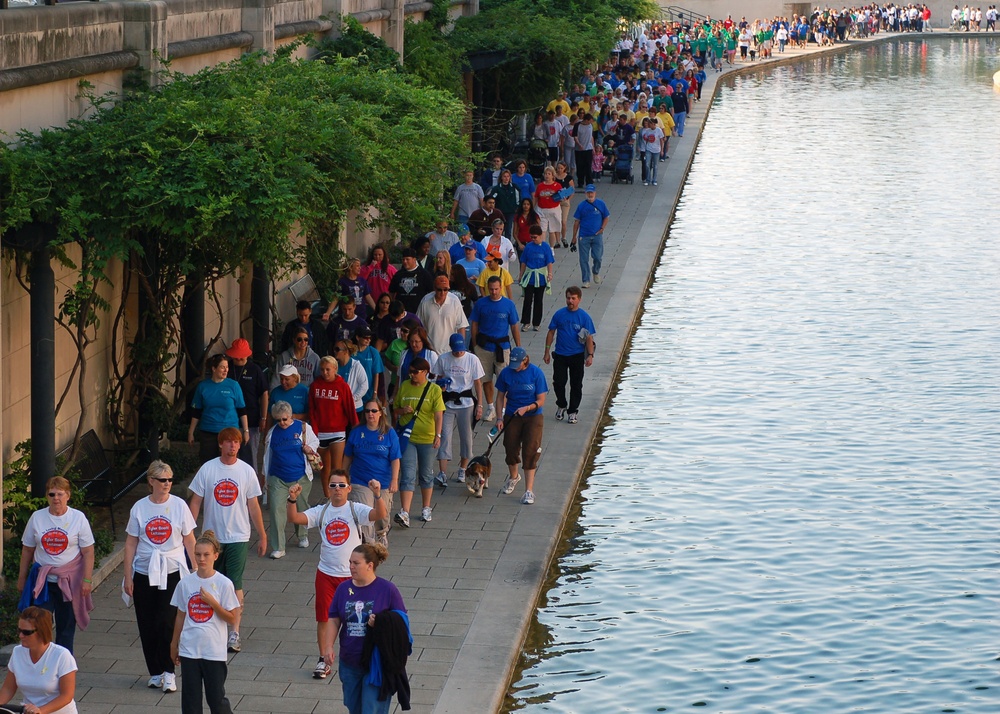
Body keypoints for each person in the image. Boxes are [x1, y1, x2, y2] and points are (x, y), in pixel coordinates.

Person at [286, 471, 387, 680]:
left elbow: (379, 514)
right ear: (328, 489)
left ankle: (361, 657)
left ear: (349, 488)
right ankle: (324, 659)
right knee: (324, 618)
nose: (337, 489)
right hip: (326, 574)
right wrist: (292, 499)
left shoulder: (355, 509)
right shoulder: (321, 511)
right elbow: (294, 518)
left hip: (352, 577)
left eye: (341, 485)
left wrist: (377, 494)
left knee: (357, 619)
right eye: (333, 485)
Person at [187, 427, 267, 653]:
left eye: (236, 442)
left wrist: (262, 534)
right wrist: (189, 531)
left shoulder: (246, 471)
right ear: (221, 444)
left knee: (234, 583)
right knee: (211, 581)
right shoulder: (208, 469)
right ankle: (212, 626)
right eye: (229, 441)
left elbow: (253, 506)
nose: (233, 445)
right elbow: (196, 501)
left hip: (238, 536)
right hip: (212, 538)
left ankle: (234, 631)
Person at [123, 461, 197, 694]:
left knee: (166, 621)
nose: (167, 484)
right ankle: (155, 672)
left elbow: (189, 539)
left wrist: (196, 569)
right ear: (151, 481)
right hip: (145, 570)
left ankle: (168, 671)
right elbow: (131, 543)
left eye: (170, 480)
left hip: (172, 570)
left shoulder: (179, 505)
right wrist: (128, 576)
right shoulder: (139, 507)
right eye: (163, 480)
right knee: (147, 623)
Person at [321, 544, 409, 714]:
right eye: (350, 562)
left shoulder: (388, 590)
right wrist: (328, 646)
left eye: (356, 563)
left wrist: (381, 624)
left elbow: (401, 624)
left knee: (371, 710)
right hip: (350, 661)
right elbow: (334, 619)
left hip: (376, 663)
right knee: (353, 707)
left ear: (370, 565)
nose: (351, 567)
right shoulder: (343, 589)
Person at [17, 477, 95, 654]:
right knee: (39, 626)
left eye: (60, 494)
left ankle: (64, 665)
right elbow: (27, 550)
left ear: (68, 495)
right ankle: (40, 661)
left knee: (66, 629)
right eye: (52, 494)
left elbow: (88, 552)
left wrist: (87, 580)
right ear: (47, 496)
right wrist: (22, 578)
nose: (56, 498)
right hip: (43, 582)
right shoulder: (37, 517)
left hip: (69, 581)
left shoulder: (78, 518)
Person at [168, 530, 240, 714]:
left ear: (215, 556)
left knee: (216, 700)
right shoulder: (185, 583)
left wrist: (213, 603)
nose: (201, 559)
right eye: (198, 554)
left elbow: (232, 618)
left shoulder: (224, 584)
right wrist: (174, 644)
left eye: (206, 554)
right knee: (190, 703)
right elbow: (180, 615)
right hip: (189, 650)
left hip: (213, 651)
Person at [262, 401, 320, 559]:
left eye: (285, 419)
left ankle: (302, 535)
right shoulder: (272, 433)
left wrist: (309, 448)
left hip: (300, 476)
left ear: (291, 416)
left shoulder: (303, 427)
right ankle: (278, 547)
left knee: (301, 507)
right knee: (276, 511)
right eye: (278, 420)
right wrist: (265, 478)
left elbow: (315, 441)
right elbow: (267, 456)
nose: (282, 423)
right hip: (278, 477)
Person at [392, 357, 445, 526]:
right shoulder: (405, 386)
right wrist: (403, 410)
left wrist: (438, 435)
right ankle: (405, 512)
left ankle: (426, 507)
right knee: (407, 474)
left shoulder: (434, 389)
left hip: (427, 438)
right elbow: (395, 410)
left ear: (425, 372)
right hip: (407, 438)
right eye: (410, 372)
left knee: (426, 474)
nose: (412, 375)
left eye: (415, 372)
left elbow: (439, 415)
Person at [344, 400, 401, 549]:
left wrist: (394, 479)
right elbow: (348, 456)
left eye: (374, 411)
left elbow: (395, 459)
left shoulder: (389, 433)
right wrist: (343, 476)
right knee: (365, 511)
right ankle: (368, 542)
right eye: (368, 411)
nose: (370, 414)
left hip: (383, 481)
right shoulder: (356, 432)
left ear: (381, 413)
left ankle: (381, 533)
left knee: (382, 513)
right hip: (360, 480)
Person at [495, 346, 548, 505]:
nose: (515, 368)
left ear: (525, 360)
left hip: (533, 415)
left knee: (530, 450)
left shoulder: (536, 373)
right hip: (512, 414)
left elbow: (541, 400)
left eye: (517, 364)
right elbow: (500, 397)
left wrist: (528, 408)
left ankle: (528, 490)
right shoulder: (506, 373)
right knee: (510, 446)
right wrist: (499, 418)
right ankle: (513, 476)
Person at [0, 607, 78, 714]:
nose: (20, 635)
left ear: (42, 632)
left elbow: (66, 696)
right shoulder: (18, 652)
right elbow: (8, 689)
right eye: (19, 630)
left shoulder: (62, 655)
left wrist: (40, 710)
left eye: (26, 632)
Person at [435, 334, 486, 486]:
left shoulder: (472, 359)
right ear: (451, 347)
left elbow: (478, 383)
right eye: (456, 350)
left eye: (461, 350)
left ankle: (463, 468)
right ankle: (443, 472)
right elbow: (438, 378)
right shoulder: (443, 359)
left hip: (466, 403)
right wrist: (441, 385)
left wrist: (480, 405)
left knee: (466, 437)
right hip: (448, 402)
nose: (458, 353)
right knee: (444, 436)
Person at [470, 275, 522, 422]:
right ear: (488, 288)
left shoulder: (508, 305)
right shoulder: (481, 304)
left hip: (502, 347)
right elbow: (474, 324)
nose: (494, 292)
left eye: (496, 289)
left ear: (501, 288)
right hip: (484, 346)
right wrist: (475, 345)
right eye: (491, 289)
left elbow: (514, 326)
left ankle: (503, 409)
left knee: (504, 379)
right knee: (485, 378)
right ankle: (491, 407)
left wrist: (518, 347)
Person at [544, 286, 597, 425]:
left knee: (576, 384)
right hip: (560, 355)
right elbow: (551, 332)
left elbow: (589, 337)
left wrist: (590, 355)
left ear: (579, 299)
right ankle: (561, 404)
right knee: (558, 382)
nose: (570, 301)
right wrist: (547, 351)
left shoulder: (584, 317)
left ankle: (573, 411)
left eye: (573, 298)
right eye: (568, 298)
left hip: (577, 356)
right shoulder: (559, 314)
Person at [310, 356, 360, 500]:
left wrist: (356, 429)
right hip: (320, 432)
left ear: (335, 369)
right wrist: (314, 431)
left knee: (337, 468)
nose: (325, 373)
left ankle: (339, 496)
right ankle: (328, 497)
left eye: (328, 369)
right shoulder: (315, 386)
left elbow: (350, 409)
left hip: (338, 431)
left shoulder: (342, 386)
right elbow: (312, 410)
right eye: (322, 370)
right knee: (324, 468)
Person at [188, 354, 249, 466]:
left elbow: (242, 410)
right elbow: (196, 412)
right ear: (214, 368)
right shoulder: (203, 386)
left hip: (230, 432)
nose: (226, 370)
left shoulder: (234, 385)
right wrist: (191, 432)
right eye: (222, 367)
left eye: (227, 367)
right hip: (208, 431)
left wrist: (246, 431)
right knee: (208, 465)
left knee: (229, 464)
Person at [224, 338, 268, 470]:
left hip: (251, 418)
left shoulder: (255, 369)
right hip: (229, 419)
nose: (238, 359)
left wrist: (263, 417)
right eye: (236, 356)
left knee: (250, 456)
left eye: (241, 356)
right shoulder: (227, 367)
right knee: (229, 456)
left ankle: (250, 481)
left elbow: (264, 394)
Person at [416, 274, 469, 359]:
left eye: (445, 289)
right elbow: (418, 325)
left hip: (450, 351)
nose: (442, 293)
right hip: (430, 351)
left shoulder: (454, 300)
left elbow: (461, 326)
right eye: (439, 290)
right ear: (434, 288)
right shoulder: (425, 301)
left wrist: (460, 348)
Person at [571, 184, 611, 288]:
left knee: (598, 257)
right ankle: (586, 280)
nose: (590, 195)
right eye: (588, 193)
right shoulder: (581, 206)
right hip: (584, 236)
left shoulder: (601, 204)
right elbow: (576, 222)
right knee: (583, 259)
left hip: (597, 235)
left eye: (591, 193)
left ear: (595, 193)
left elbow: (606, 217)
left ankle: (595, 271)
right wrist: (574, 237)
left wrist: (602, 228)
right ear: (585, 193)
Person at [518, 225, 555, 332]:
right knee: (527, 300)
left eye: (535, 237)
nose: (533, 239)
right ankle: (526, 322)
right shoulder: (528, 247)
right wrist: (521, 275)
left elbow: (549, 261)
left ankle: (536, 323)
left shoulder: (545, 247)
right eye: (531, 237)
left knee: (539, 300)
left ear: (540, 236)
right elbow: (524, 262)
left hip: (541, 277)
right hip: (530, 277)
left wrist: (550, 273)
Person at [388, 247, 434, 315]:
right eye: (403, 259)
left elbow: (431, 292)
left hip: (418, 311)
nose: (405, 261)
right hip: (401, 312)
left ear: (414, 259)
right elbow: (391, 292)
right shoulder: (398, 274)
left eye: (407, 259)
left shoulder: (424, 274)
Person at [333, 339, 370, 416]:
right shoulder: (334, 366)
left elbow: (364, 385)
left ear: (345, 351)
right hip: (338, 408)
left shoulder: (356, 366)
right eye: (334, 349)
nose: (334, 351)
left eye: (337, 349)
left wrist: (352, 399)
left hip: (355, 408)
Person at [351, 327, 384, 406]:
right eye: (366, 338)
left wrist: (374, 395)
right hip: (352, 392)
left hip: (369, 394)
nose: (368, 340)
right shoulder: (351, 351)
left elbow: (376, 374)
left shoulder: (373, 352)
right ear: (357, 337)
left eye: (370, 338)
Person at [534, 165, 564, 250]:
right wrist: (533, 208)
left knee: (552, 230)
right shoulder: (540, 186)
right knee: (542, 230)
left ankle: (551, 248)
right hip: (541, 210)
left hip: (554, 210)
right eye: (546, 174)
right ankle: (542, 247)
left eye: (549, 174)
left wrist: (562, 198)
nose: (547, 175)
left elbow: (561, 198)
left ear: (553, 175)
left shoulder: (557, 186)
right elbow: (536, 197)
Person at [486, 169, 521, 240]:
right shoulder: (497, 189)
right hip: (500, 212)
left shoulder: (514, 187)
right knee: (499, 229)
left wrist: (516, 208)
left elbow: (518, 199)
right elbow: (492, 199)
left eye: (508, 176)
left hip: (510, 212)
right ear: (501, 177)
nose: (506, 178)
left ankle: (507, 243)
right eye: (504, 176)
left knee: (508, 230)